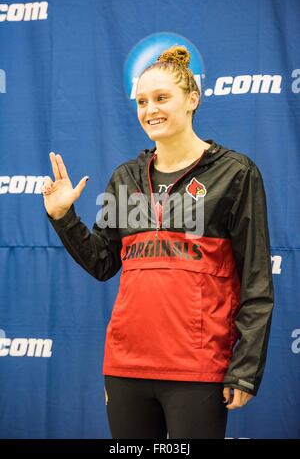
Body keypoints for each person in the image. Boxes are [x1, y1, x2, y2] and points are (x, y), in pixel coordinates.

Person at [42, 46, 274, 439]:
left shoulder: (235, 173)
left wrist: (245, 367)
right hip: (125, 367)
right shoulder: (126, 177)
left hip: (197, 368)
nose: (150, 109)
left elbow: (256, 281)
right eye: (143, 101)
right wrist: (64, 218)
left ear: (192, 99)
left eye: (162, 98)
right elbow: (102, 262)